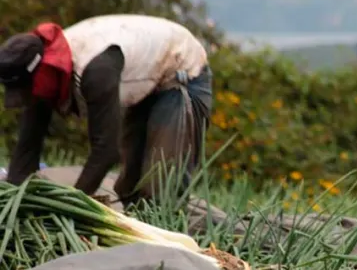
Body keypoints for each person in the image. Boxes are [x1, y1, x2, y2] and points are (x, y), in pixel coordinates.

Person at [0, 14, 213, 208]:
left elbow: (106, 151)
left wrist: (71, 207)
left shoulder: (94, 71)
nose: (29, 97)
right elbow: (27, 149)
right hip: (145, 78)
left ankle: (187, 244)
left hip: (182, 71)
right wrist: (13, 202)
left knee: (160, 190)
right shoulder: (41, 76)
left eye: (27, 90)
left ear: (42, 70)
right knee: (129, 188)